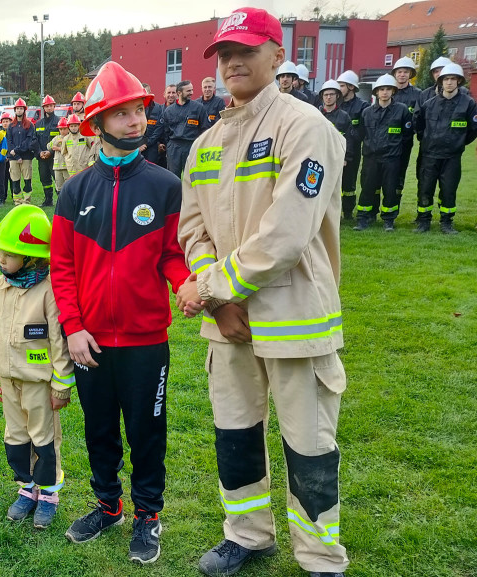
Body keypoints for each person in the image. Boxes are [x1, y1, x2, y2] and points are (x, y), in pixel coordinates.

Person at [176, 8, 348, 576]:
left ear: (278, 55)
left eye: (246, 50)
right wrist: (220, 302)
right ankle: (247, 535)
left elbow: (286, 235)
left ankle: (320, 557)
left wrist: (214, 290)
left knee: (310, 447)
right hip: (227, 325)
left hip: (294, 316)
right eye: (224, 54)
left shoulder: (305, 127)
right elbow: (192, 230)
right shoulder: (204, 144)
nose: (233, 62)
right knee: (235, 435)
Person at [52, 61, 189, 565]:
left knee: (147, 431)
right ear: (97, 122)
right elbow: (61, 267)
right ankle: (108, 505)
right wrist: (73, 328)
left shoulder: (165, 186)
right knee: (99, 429)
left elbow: (174, 254)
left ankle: (148, 516)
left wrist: (185, 285)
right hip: (88, 340)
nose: (136, 121)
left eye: (140, 111)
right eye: (123, 113)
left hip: (146, 340)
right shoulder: (74, 191)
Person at [0, 205, 74, 529]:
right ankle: (26, 487)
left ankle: (48, 494)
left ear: (32, 258)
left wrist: (61, 384)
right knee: (15, 437)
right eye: (1, 252)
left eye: (10, 254)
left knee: (43, 438)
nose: (2, 259)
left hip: (38, 382)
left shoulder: (49, 291)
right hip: (6, 380)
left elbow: (59, 342)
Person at [413, 63, 477, 234]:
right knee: (425, 189)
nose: (449, 82)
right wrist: (427, 141)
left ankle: (446, 222)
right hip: (430, 155)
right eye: (446, 79)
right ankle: (423, 222)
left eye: (452, 79)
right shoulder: (429, 104)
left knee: (449, 190)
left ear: (458, 81)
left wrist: (458, 143)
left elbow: (473, 129)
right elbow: (419, 126)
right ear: (441, 82)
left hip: (452, 157)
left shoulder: (468, 104)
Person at [355, 74, 412, 232]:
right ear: (376, 92)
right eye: (381, 89)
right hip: (371, 158)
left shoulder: (402, 111)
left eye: (388, 89)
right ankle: (363, 218)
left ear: (393, 91)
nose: (385, 92)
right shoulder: (367, 112)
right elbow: (361, 133)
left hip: (391, 158)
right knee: (367, 189)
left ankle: (388, 220)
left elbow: (407, 137)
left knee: (390, 189)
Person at [390, 57, 423, 198]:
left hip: (405, 142)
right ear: (395, 74)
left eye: (405, 72)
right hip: (387, 140)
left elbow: (419, 117)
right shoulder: (388, 90)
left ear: (410, 74)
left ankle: (393, 207)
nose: (402, 74)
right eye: (399, 72)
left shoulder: (418, 94)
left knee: (399, 174)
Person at [336, 70, 366, 220]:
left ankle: (348, 212)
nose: (339, 89)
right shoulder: (336, 105)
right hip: (335, 150)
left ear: (351, 87)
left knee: (349, 184)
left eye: (341, 85)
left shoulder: (362, 106)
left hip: (353, 151)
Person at [162, 80, 207, 178]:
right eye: (188, 91)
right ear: (179, 93)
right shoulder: (169, 111)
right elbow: (165, 131)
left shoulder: (198, 108)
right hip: (174, 148)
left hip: (191, 146)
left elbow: (205, 129)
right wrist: (169, 146)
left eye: (192, 90)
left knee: (192, 177)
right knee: (173, 177)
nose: (192, 93)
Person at [6, 98, 37, 204]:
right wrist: (16, 156)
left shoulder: (30, 125)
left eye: (21, 108)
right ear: (15, 110)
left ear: (24, 110)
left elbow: (28, 141)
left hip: (26, 157)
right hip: (13, 158)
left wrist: (17, 151)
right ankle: (17, 201)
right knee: (15, 180)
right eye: (17, 109)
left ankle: (26, 200)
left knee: (27, 180)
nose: (19, 110)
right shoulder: (11, 126)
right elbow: (9, 142)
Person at [35, 95, 61, 206]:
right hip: (42, 157)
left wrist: (50, 152)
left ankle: (61, 200)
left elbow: (61, 140)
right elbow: (34, 140)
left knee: (58, 179)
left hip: (55, 157)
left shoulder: (59, 122)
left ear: (54, 106)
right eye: (47, 106)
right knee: (44, 179)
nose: (49, 108)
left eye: (51, 106)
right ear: (43, 108)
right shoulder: (38, 123)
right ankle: (48, 200)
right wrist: (40, 152)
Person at [140, 83, 167, 167]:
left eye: (146, 92)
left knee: (151, 168)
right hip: (138, 146)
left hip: (152, 146)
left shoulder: (158, 108)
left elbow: (159, 128)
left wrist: (147, 143)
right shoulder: (136, 108)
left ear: (150, 93)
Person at [61, 114, 92, 178]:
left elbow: (92, 148)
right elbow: (64, 152)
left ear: (79, 126)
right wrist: (68, 160)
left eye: (75, 126)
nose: (73, 128)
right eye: (71, 126)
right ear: (68, 127)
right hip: (72, 168)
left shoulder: (85, 136)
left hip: (84, 167)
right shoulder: (66, 139)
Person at [48, 116, 69, 194]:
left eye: (64, 129)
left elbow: (71, 150)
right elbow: (49, 146)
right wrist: (55, 143)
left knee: (68, 185)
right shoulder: (56, 138)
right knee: (58, 187)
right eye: (60, 129)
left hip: (67, 166)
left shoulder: (70, 138)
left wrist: (58, 148)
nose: (62, 131)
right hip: (57, 166)